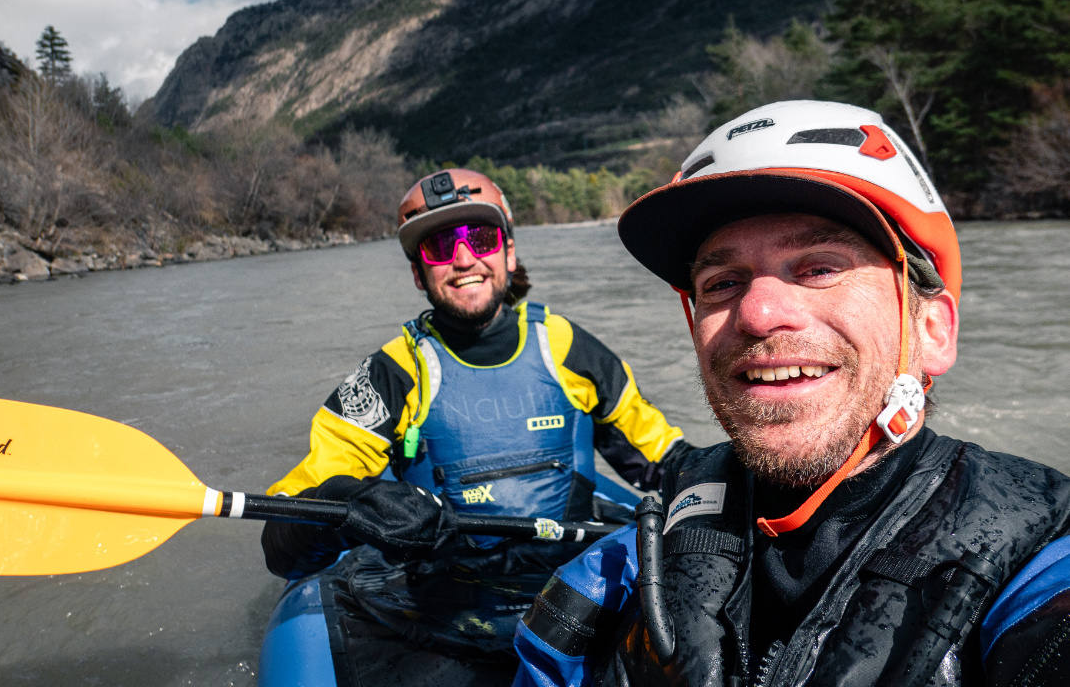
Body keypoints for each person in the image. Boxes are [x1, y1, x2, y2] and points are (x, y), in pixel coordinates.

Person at [512, 101, 1070, 687]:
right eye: (722, 283)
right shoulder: (626, 570)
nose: (756, 314)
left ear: (932, 330)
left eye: (819, 268)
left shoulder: (1034, 563)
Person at [261, 168, 690, 684]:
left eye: (480, 238)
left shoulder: (569, 349)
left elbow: (665, 462)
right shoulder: (390, 375)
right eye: (440, 246)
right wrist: (346, 502)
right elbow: (282, 540)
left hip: (572, 600)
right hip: (442, 613)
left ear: (508, 253)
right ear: (420, 274)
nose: (464, 258)